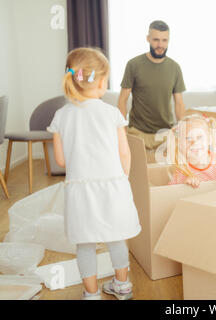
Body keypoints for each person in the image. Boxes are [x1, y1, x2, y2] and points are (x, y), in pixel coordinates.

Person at [48, 48, 141, 300]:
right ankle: (122, 286)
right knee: (116, 238)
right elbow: (124, 154)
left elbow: (60, 160)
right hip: (113, 186)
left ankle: (91, 294)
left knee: (85, 243)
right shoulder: (112, 113)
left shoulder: (61, 116)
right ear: (101, 82)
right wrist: (123, 179)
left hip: (81, 190)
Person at [118, 20, 186, 151]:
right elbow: (122, 100)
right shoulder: (133, 65)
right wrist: (123, 131)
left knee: (168, 171)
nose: (160, 45)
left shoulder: (175, 67)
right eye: (156, 40)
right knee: (138, 171)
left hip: (166, 134)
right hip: (138, 133)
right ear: (148, 39)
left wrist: (183, 131)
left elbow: (179, 103)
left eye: (164, 40)